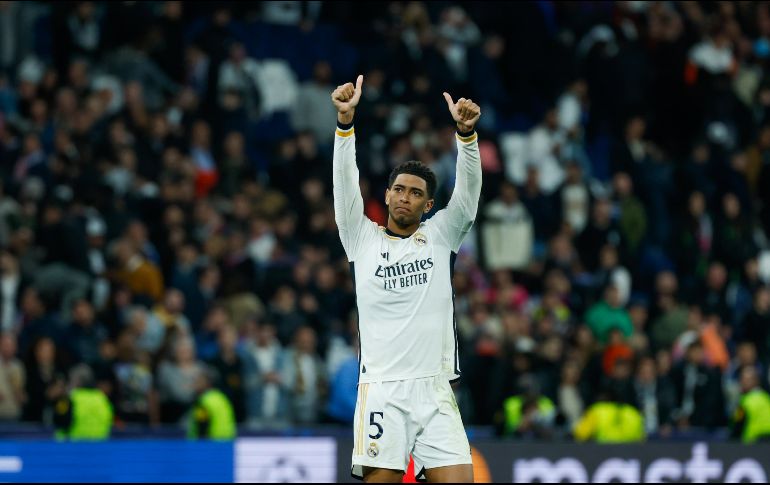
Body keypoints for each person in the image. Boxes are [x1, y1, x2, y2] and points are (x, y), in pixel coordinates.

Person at [331, 75, 481, 483]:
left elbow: (467, 201)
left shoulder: (439, 236)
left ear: (428, 204)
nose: (404, 196)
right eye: (398, 189)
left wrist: (466, 138)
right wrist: (345, 125)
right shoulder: (361, 239)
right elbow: (344, 188)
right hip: (382, 390)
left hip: (435, 390)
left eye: (415, 193)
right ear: (387, 195)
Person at [53, 364, 113, 441]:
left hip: (73, 447)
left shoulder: (69, 398)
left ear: (77, 381)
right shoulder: (103, 399)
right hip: (99, 446)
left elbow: (59, 421)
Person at [187, 366, 236, 440]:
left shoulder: (203, 402)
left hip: (209, 444)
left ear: (207, 383)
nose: (195, 383)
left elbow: (202, 425)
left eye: (198, 381)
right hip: (227, 443)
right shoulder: (221, 397)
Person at [731, 366, 770, 443]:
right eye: (742, 379)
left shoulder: (745, 402)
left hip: (753, 444)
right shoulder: (766, 398)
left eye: (747, 380)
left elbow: (738, 424)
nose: (743, 382)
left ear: (756, 381)